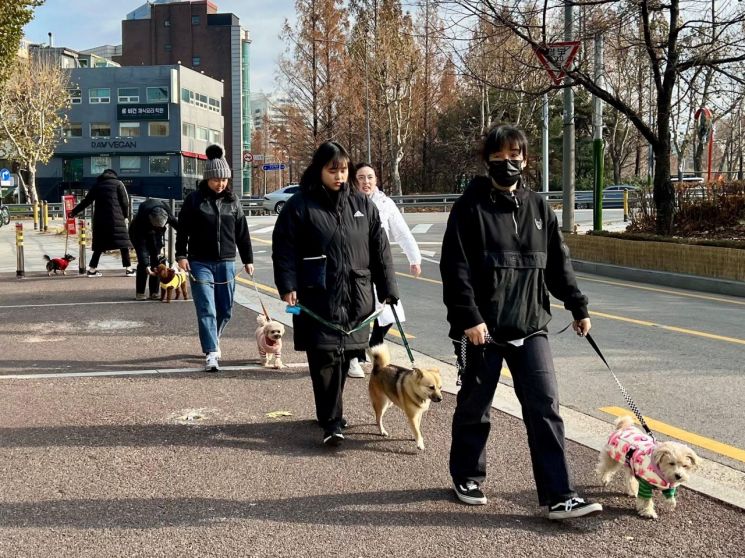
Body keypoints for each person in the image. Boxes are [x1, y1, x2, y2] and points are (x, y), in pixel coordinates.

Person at [440, 124, 603, 520]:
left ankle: (558, 494)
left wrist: (577, 306)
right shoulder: (469, 208)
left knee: (546, 406)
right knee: (475, 406)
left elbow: (558, 264)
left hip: (532, 326)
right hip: (483, 332)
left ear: (526, 160)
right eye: (497, 157)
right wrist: (469, 318)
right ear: (487, 162)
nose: (506, 163)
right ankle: (467, 474)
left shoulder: (538, 207)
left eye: (514, 156)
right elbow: (455, 270)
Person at [272, 141, 399, 446]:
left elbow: (380, 250)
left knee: (345, 356)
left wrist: (389, 289)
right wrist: (287, 285)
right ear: (319, 170)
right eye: (333, 170)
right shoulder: (300, 205)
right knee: (324, 357)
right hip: (317, 295)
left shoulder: (363, 205)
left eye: (343, 170)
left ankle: (329, 410)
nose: (340, 176)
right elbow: (284, 249)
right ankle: (332, 422)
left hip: (356, 296)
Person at [176, 144, 254, 372]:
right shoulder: (194, 200)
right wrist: (181, 255)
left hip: (227, 262)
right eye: (216, 179)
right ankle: (211, 352)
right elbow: (182, 229)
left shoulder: (233, 201)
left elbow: (243, 232)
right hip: (200, 262)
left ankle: (214, 337)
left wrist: (248, 259)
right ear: (207, 179)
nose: (220, 184)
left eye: (224, 179)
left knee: (226, 308)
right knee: (207, 307)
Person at [348, 162, 421, 378]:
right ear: (354, 180)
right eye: (361, 177)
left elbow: (401, 232)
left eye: (370, 177)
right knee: (359, 314)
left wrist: (414, 258)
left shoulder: (385, 203)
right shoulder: (348, 202)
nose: (366, 182)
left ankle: (374, 346)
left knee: (389, 312)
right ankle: (354, 358)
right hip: (357, 267)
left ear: (376, 179)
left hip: (381, 266)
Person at [68, 168, 134, 277]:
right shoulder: (118, 184)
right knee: (123, 243)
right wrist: (125, 216)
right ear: (114, 175)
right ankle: (128, 269)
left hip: (100, 220)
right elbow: (125, 202)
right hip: (116, 218)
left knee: (100, 245)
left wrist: (74, 212)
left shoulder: (97, 185)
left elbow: (86, 201)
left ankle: (92, 270)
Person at [129, 199, 178, 301]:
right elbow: (141, 247)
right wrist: (146, 264)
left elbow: (181, 228)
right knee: (143, 263)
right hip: (139, 233)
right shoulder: (141, 220)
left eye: (160, 226)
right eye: (156, 226)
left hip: (157, 235)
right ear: (150, 220)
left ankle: (154, 292)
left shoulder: (168, 216)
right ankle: (140, 293)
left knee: (158, 261)